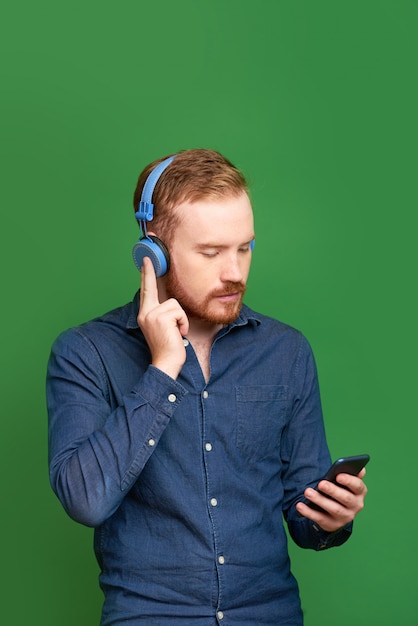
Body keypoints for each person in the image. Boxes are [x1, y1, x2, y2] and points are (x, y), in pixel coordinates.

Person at [47, 148, 368, 625]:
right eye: (211, 252)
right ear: (151, 253)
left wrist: (330, 520)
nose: (235, 272)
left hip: (270, 615)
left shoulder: (287, 352)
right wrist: (161, 370)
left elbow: (303, 519)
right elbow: (86, 499)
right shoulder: (84, 353)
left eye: (245, 247)